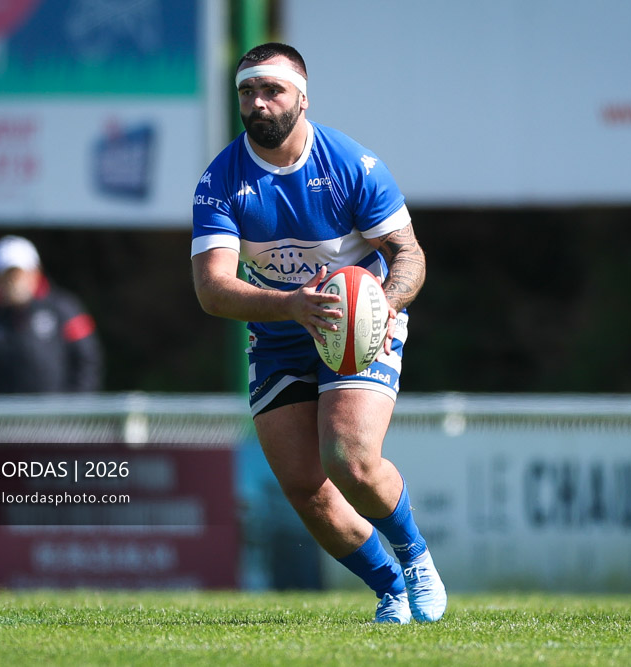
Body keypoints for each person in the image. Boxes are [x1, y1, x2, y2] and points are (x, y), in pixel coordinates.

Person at [191, 43, 446, 624]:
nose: (258, 102)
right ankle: (390, 591)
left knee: (349, 458)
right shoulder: (221, 181)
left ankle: (415, 559)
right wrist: (293, 306)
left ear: (302, 97)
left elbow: (408, 255)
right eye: (247, 91)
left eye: (272, 90)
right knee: (305, 487)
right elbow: (211, 289)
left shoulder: (351, 165)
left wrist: (385, 303)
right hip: (282, 329)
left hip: (358, 321)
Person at [0, 235, 103, 394]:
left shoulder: (64, 309)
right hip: (3, 418)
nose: (13, 283)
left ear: (35, 273)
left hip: (60, 417)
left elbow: (88, 362)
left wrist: (74, 409)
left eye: (18, 275)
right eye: (6, 276)